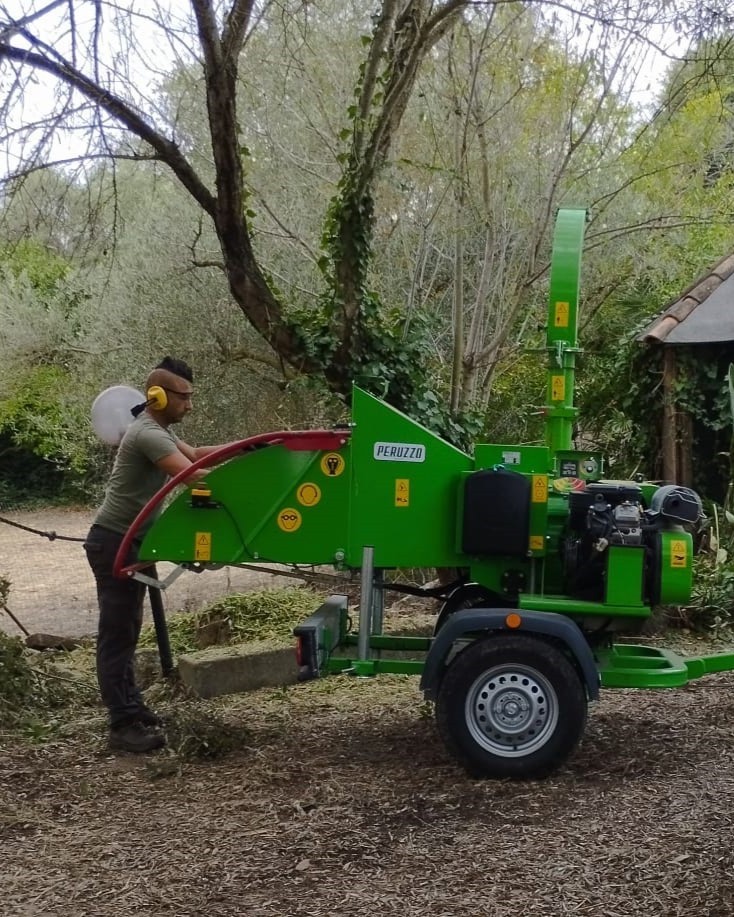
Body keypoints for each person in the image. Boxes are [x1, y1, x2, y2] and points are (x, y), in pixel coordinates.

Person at [84, 356, 224, 753]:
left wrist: (253, 447)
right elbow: (191, 475)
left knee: (127, 630)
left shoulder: (155, 428)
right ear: (158, 396)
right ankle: (122, 726)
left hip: (124, 539)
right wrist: (251, 478)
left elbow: (195, 454)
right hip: (114, 540)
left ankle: (132, 708)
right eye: (184, 398)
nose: (190, 406)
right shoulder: (147, 433)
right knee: (117, 636)